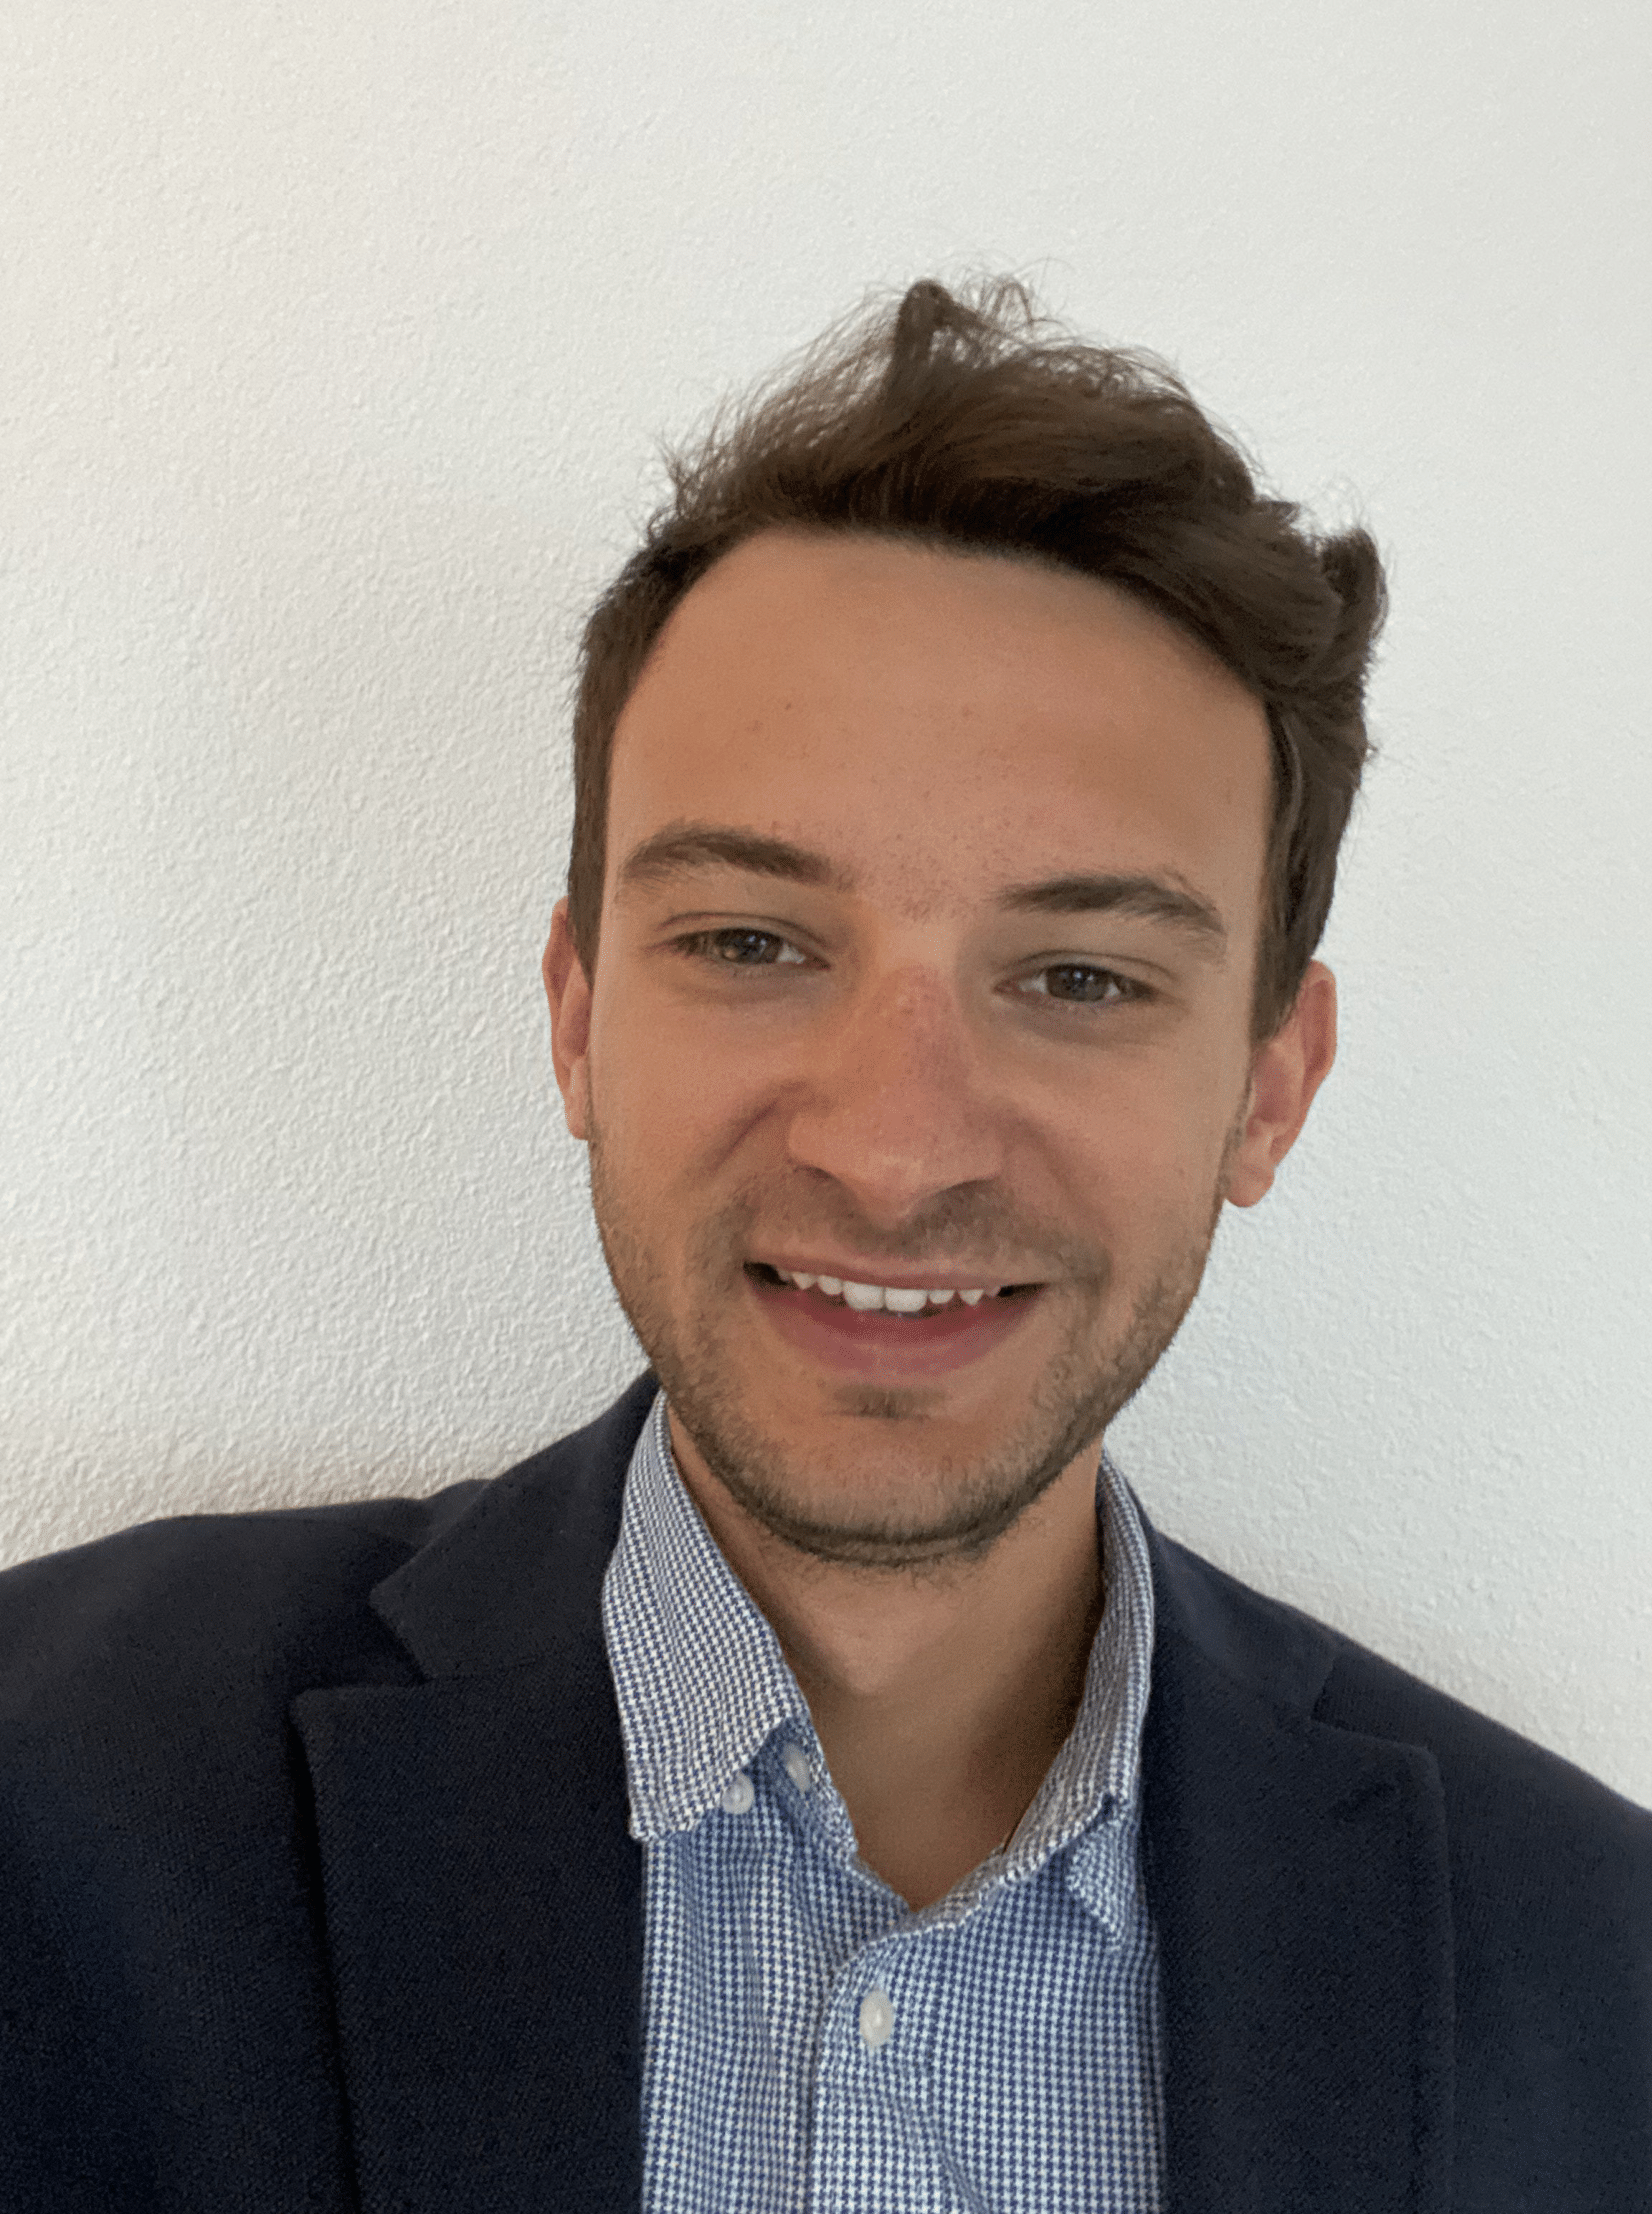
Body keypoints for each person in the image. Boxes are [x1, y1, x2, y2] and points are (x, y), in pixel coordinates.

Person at [1, 277, 1647, 2214]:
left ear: (1268, 1089)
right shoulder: (48, 1797)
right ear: (580, 1018)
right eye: (753, 943)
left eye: (1079, 976)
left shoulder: (1602, 1987)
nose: (892, 1151)